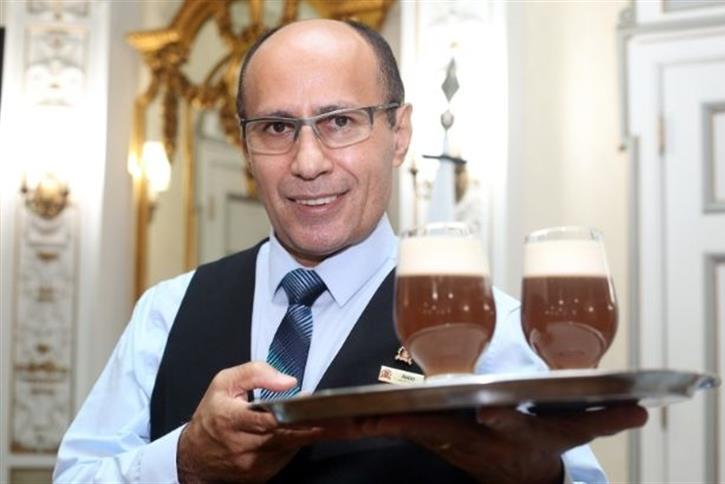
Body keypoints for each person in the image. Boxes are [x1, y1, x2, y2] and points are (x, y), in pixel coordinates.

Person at [54, 19, 646, 483]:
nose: (308, 162)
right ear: (245, 145)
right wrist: (184, 461)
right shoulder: (167, 311)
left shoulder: (496, 329)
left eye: (340, 122)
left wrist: (539, 478)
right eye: (276, 127)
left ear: (399, 134)